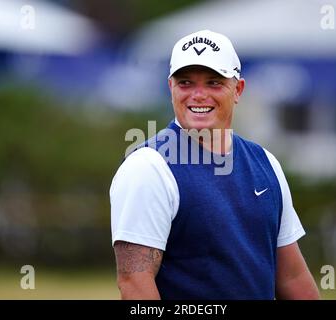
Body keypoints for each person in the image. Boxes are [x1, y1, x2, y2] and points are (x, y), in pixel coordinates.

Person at [110, 30, 320, 300]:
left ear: (238, 90)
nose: (198, 95)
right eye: (186, 82)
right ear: (170, 87)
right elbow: (133, 282)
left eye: (213, 82)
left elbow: (292, 276)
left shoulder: (265, 163)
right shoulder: (148, 167)